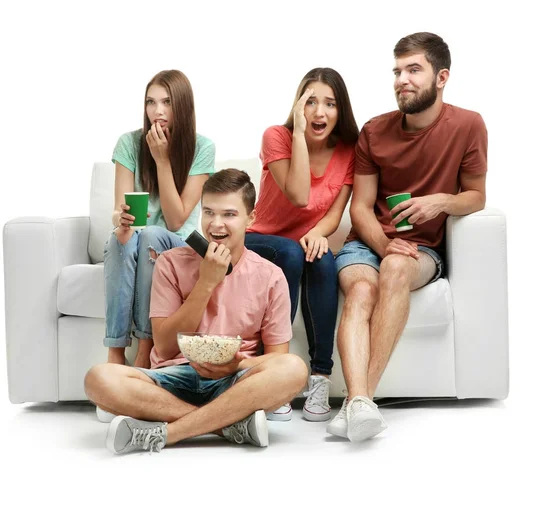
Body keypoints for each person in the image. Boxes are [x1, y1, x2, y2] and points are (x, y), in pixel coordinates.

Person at [331, 32, 487, 441]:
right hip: (366, 244)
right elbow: (360, 208)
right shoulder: (375, 131)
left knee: (398, 266)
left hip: (422, 250)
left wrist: (438, 202)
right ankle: (362, 403)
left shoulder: (468, 125)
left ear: (441, 77)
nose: (402, 79)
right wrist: (381, 245)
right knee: (362, 291)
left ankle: (356, 401)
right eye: (398, 71)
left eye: (414, 69)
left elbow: (476, 196)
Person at [85, 169, 308, 454]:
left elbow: (278, 358)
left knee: (294, 368)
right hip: (173, 376)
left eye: (229, 214)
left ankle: (170, 432)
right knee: (98, 379)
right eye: (208, 212)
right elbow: (164, 348)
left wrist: (234, 367)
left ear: (250, 219)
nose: (216, 224)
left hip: (235, 382)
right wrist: (206, 282)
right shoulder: (170, 263)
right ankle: (228, 426)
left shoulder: (271, 276)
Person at [245, 68, 359, 422]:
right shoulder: (276, 137)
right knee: (292, 252)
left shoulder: (348, 152)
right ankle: (275, 376)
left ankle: (320, 376)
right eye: (310, 102)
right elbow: (297, 194)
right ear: (297, 106)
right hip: (260, 239)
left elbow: (335, 213)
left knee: (324, 261)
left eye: (330, 104)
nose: (319, 113)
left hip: (305, 242)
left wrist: (320, 233)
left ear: (341, 112)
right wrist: (297, 132)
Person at [103, 69, 215, 371]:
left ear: (182, 106)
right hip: (138, 239)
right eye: (151, 102)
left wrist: (162, 160)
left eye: (166, 102)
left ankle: (145, 349)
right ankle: (114, 353)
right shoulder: (128, 143)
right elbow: (118, 208)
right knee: (122, 239)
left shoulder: (202, 148)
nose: (158, 111)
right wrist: (121, 221)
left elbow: (178, 220)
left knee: (151, 234)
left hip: (179, 243)